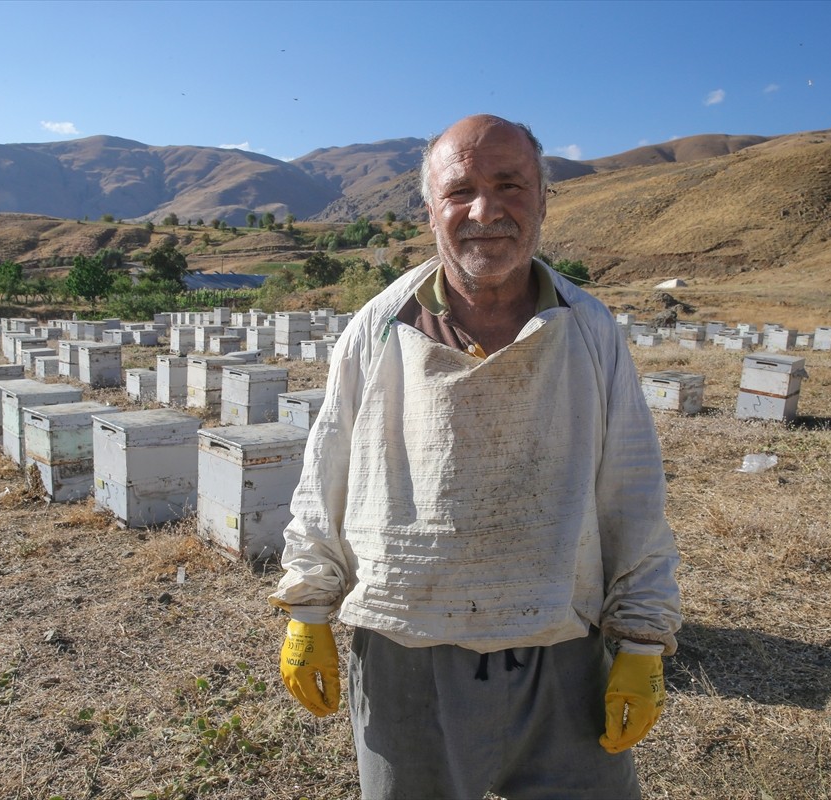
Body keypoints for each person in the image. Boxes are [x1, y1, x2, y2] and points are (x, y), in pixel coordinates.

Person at [269, 114, 682, 800]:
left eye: (509, 185)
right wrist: (309, 607)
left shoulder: (589, 328)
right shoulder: (378, 327)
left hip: (561, 647)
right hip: (408, 649)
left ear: (543, 199)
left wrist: (641, 639)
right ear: (430, 209)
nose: (484, 211)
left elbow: (631, 488)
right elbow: (328, 471)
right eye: (459, 192)